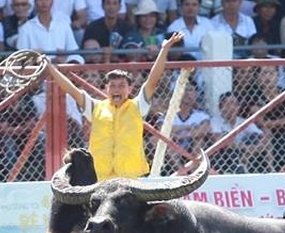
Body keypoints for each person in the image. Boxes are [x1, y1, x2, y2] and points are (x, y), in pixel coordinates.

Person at [45, 31, 184, 180]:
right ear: (106, 89)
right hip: (99, 178)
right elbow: (72, 90)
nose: (116, 90)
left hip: (130, 179)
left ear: (130, 89)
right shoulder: (95, 107)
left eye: (121, 86)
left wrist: (164, 49)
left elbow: (153, 80)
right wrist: (51, 69)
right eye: (113, 86)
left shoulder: (137, 106)